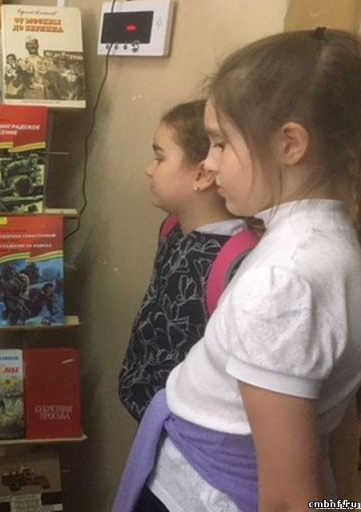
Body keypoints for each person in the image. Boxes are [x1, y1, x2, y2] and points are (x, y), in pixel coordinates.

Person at [113, 29, 361, 512]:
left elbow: (291, 498)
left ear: (290, 144)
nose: (209, 163)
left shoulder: (285, 281)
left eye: (221, 143)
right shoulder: (330, 243)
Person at [118, 100, 247, 422]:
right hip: (154, 420)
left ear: (202, 174)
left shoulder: (238, 263)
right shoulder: (173, 228)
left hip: (192, 430)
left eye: (159, 157)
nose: (149, 168)